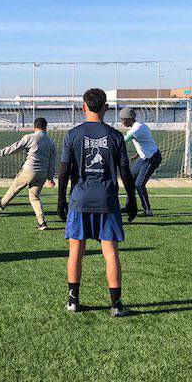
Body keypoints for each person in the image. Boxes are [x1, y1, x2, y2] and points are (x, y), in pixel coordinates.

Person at [57, 88, 138, 317]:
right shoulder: (115, 136)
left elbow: (63, 171)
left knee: (76, 250)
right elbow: (125, 172)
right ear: (106, 108)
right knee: (110, 252)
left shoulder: (73, 135)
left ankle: (73, 301)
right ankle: (116, 305)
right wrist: (132, 200)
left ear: (84, 107)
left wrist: (61, 199)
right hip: (108, 200)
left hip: (80, 200)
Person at [0, 117, 57, 230]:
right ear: (46, 127)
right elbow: (52, 162)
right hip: (42, 173)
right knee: (35, 197)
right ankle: (42, 222)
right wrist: (50, 178)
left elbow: (13, 148)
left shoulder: (30, 137)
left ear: (34, 127)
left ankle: (2, 203)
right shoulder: (51, 142)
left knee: (15, 187)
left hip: (29, 170)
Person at [120, 107, 162, 217]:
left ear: (130, 119)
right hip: (144, 157)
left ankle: (148, 211)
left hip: (152, 158)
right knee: (130, 181)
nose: (122, 121)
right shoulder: (137, 126)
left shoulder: (137, 128)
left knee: (139, 184)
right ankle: (129, 207)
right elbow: (145, 142)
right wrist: (137, 154)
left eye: (123, 119)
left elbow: (123, 140)